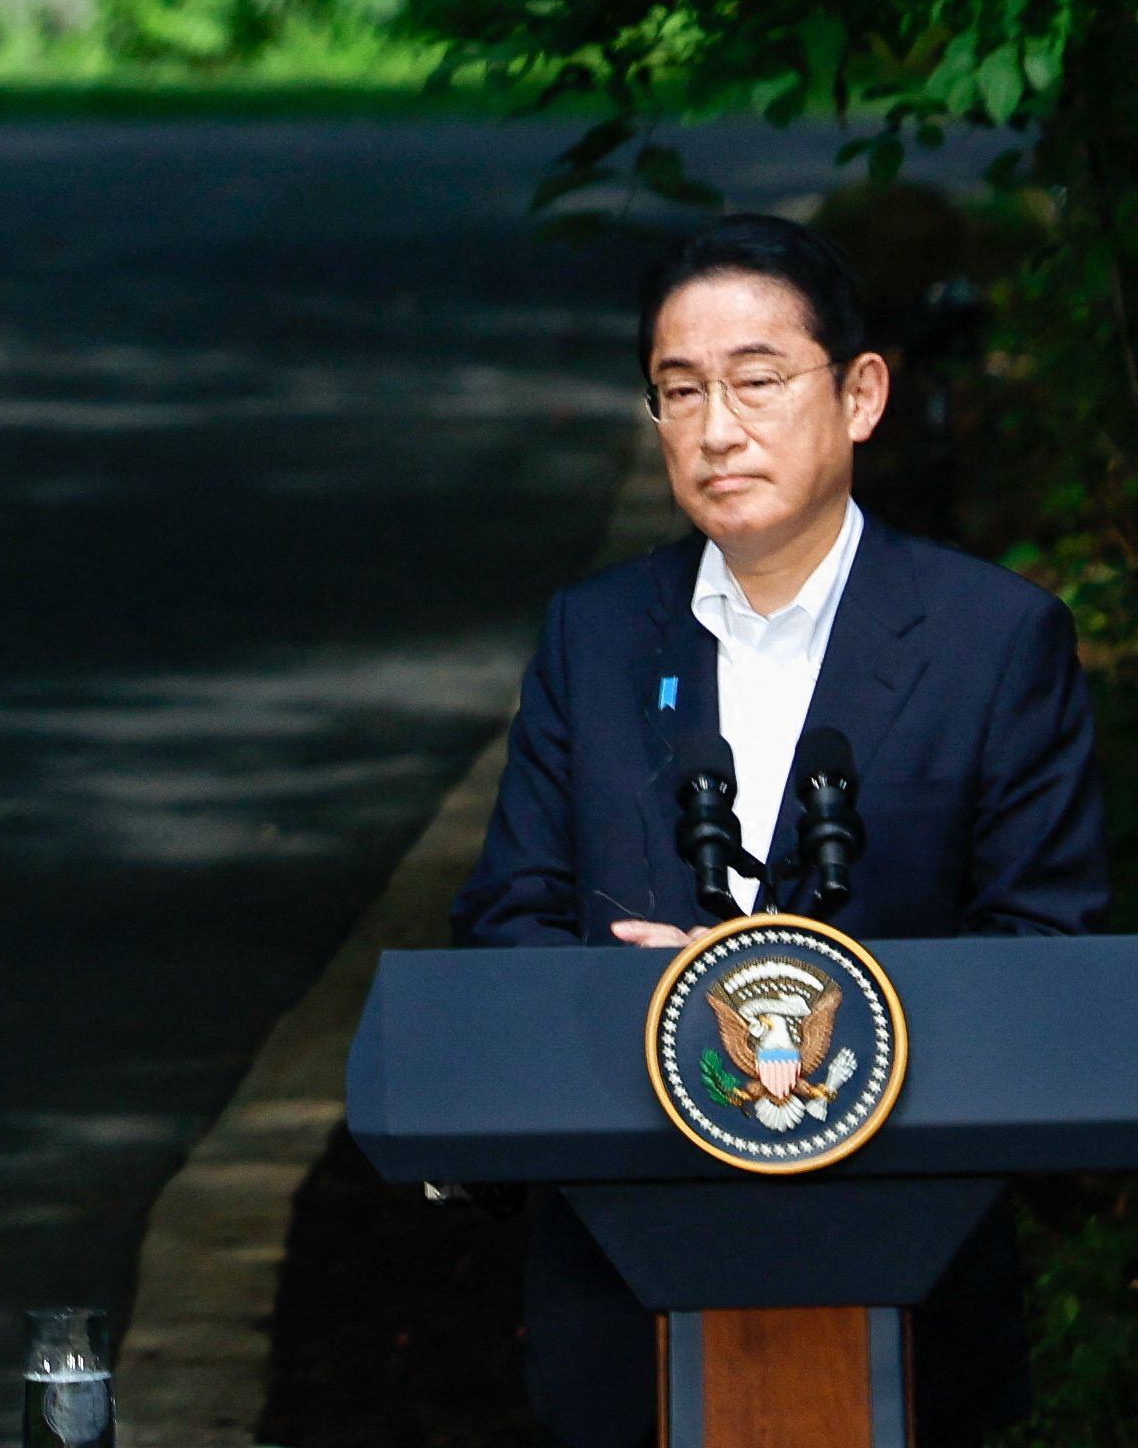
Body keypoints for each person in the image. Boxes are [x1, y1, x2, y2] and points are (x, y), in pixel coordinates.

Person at [450, 212, 1105, 1447]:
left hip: (903, 1295)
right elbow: (506, 925)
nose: (716, 428)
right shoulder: (595, 639)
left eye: (757, 380)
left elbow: (1042, 958)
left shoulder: (991, 642)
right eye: (678, 391)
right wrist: (644, 1012)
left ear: (860, 394)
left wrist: (785, 1004)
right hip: (623, 1297)